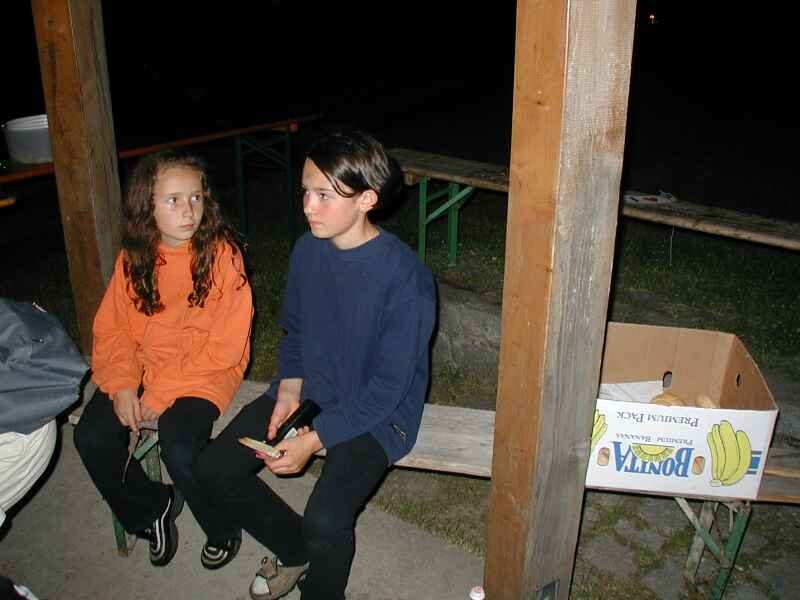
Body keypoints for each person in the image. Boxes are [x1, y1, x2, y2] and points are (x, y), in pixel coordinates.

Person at [194, 130, 437, 599]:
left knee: (325, 519)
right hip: (312, 389)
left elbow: (388, 388)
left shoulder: (405, 278)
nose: (308, 206)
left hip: (379, 413)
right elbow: (296, 332)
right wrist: (289, 389)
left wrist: (314, 439)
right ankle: (294, 549)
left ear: (367, 199)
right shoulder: (308, 251)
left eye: (325, 195)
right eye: (305, 190)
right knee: (215, 469)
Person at [73, 150, 253, 568]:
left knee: (180, 446)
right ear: (147, 206)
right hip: (145, 365)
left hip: (205, 369)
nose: (188, 210)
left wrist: (160, 393)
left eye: (195, 198)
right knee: (92, 437)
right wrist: (122, 383)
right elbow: (114, 328)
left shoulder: (222, 256)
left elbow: (225, 347)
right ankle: (152, 508)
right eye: (173, 200)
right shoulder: (134, 258)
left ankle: (221, 526)